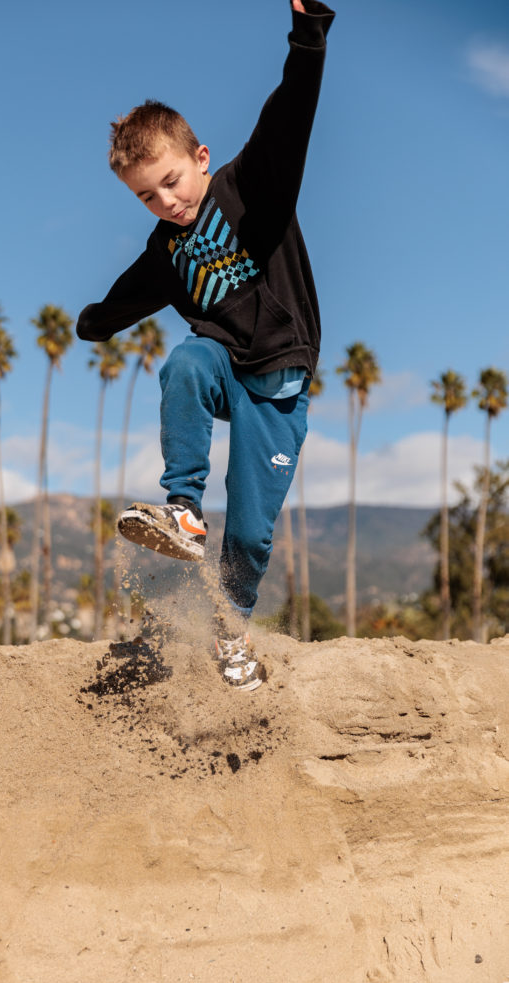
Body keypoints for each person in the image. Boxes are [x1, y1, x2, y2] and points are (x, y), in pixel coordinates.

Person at [77, 0, 335, 691]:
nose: (164, 201)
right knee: (188, 357)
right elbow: (130, 292)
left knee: (250, 535)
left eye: (170, 181)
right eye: (145, 197)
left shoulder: (250, 186)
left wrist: (306, 38)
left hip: (278, 384)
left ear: (200, 157)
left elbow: (289, 115)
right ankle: (183, 508)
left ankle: (231, 631)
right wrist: (97, 321)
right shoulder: (165, 251)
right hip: (224, 368)